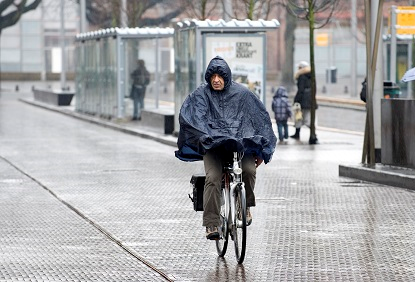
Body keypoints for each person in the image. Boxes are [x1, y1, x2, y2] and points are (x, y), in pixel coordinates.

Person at [175, 56, 277, 240]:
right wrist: (204, 137)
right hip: (213, 148)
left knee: (248, 169)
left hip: (239, 146)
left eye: (219, 76)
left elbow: (259, 119)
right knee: (212, 178)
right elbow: (193, 118)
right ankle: (212, 223)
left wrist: (262, 148)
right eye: (212, 76)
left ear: (227, 77)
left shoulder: (243, 94)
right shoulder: (201, 95)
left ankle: (244, 207)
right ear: (208, 78)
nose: (216, 80)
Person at [290, 61, 319, 144]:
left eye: (299, 67)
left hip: (303, 101)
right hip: (311, 100)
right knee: (309, 119)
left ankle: (297, 133)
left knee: (299, 117)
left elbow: (301, 90)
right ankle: (313, 134)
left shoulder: (301, 76)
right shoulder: (312, 75)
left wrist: (296, 100)